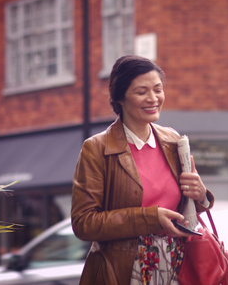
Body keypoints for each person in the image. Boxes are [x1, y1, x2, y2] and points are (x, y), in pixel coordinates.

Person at [71, 55, 214, 285]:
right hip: (124, 270)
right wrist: (150, 217)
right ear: (120, 98)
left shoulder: (172, 140)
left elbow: (188, 207)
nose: (153, 98)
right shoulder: (96, 148)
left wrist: (200, 194)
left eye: (158, 89)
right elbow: (84, 223)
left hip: (178, 265)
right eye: (141, 92)